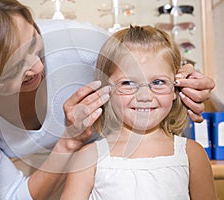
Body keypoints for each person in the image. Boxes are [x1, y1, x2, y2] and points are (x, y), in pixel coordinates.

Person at [0, 0, 215, 199]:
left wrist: (185, 78)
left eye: (34, 45)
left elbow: (148, 63)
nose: (37, 66)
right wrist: (69, 143)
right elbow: (15, 195)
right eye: (14, 68)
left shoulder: (79, 43)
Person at [61, 25, 217, 200]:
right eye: (128, 83)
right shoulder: (88, 158)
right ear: (106, 90)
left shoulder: (192, 154)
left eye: (158, 82)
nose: (144, 96)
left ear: (176, 88)